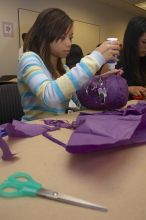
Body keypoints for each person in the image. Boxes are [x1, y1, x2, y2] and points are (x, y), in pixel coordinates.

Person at [17, 8, 120, 121]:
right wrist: (95, 59)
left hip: (57, 128)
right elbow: (49, 95)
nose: (69, 43)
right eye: (62, 37)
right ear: (46, 35)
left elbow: (82, 104)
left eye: (70, 38)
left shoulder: (64, 70)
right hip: (34, 132)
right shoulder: (29, 59)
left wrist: (100, 82)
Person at [116, 16, 146, 99]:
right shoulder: (116, 61)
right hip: (119, 109)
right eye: (144, 42)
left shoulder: (142, 59)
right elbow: (103, 92)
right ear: (132, 40)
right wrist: (127, 89)